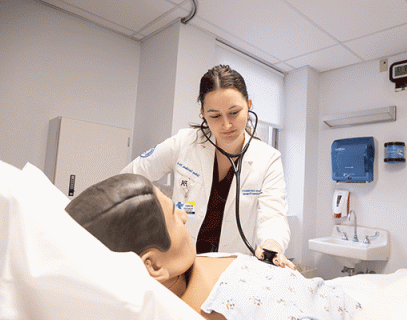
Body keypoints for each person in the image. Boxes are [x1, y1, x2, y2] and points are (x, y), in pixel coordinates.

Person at [65, 174, 361, 320]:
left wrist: (268, 250)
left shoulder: (186, 265)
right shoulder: (211, 309)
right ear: (154, 266)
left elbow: (272, 210)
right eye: (174, 216)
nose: (183, 216)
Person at [121, 65, 291, 267]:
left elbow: (273, 215)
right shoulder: (185, 143)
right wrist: (161, 208)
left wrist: (271, 244)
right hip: (180, 258)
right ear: (203, 114)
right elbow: (129, 178)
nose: (226, 125)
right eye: (215, 116)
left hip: (229, 265)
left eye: (234, 112)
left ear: (249, 105)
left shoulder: (268, 158)